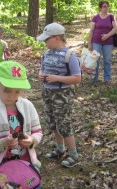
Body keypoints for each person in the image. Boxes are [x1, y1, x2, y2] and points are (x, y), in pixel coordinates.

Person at [0, 61, 43, 175]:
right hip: (2, 166)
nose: (12, 95)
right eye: (7, 90)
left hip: (27, 163)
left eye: (17, 91)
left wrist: (32, 141)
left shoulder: (28, 106)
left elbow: (38, 132)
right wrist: (3, 142)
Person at [37, 23, 82, 168]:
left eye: (46, 39)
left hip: (63, 94)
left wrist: (57, 79)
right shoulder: (46, 54)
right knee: (52, 122)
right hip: (47, 92)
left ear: (57, 38)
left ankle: (73, 153)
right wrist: (41, 75)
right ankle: (60, 148)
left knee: (64, 124)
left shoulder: (69, 55)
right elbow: (42, 70)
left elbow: (77, 78)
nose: (45, 42)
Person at [87, 0, 117, 84]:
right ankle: (94, 79)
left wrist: (107, 35)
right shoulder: (95, 17)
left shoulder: (111, 16)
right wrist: (89, 43)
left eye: (107, 6)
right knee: (95, 60)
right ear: (100, 7)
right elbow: (91, 31)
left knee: (107, 60)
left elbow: (115, 28)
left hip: (108, 42)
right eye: (104, 6)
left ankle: (107, 79)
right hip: (96, 41)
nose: (106, 8)